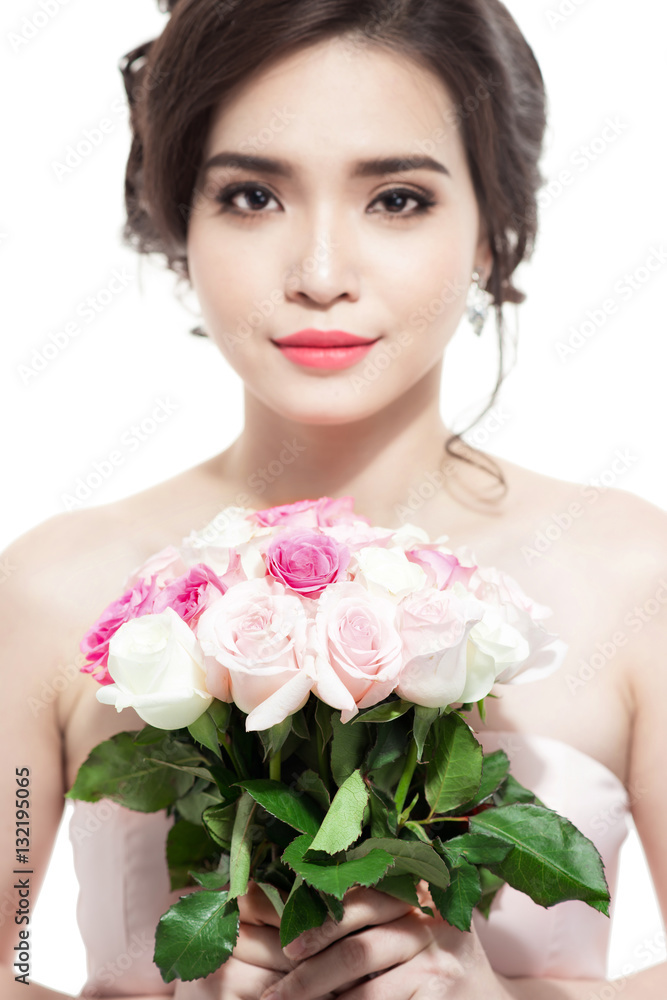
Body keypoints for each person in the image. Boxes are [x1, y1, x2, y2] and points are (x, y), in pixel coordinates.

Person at [2, 0, 666, 997]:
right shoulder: (56, 586)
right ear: (180, 218)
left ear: (491, 230)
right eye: (251, 196)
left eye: (396, 198)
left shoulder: (629, 573)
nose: (319, 275)